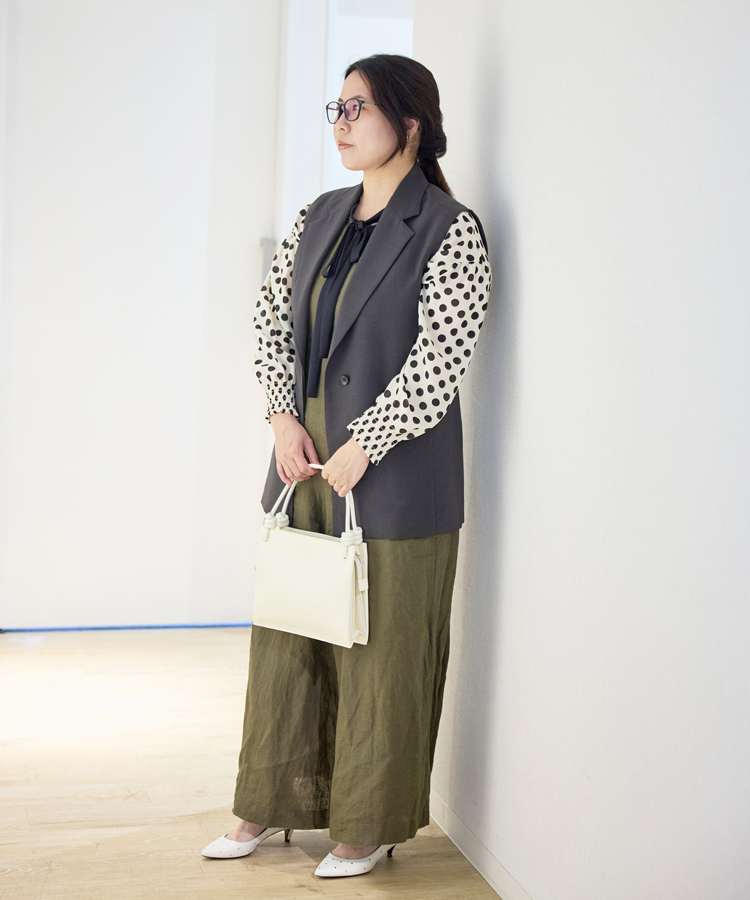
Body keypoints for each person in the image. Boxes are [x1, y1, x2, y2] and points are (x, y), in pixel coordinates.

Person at [201, 53, 492, 879]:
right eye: (337, 106)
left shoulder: (449, 228)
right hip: (304, 462)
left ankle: (366, 827)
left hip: (394, 472)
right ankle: (268, 801)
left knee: (384, 649)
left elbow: (441, 357)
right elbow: (270, 322)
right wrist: (280, 418)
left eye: (358, 107)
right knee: (289, 636)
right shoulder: (319, 214)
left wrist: (368, 440)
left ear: (410, 123)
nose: (341, 121)